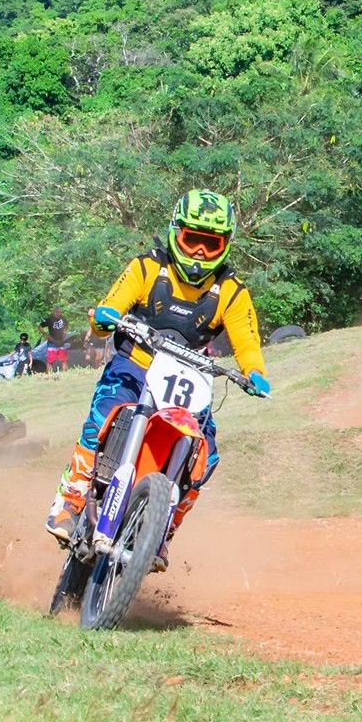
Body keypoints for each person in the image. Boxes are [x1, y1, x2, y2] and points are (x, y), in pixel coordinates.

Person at [45, 190, 271, 570]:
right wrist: (103, 318)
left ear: (225, 245)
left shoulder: (232, 291)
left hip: (188, 378)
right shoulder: (148, 267)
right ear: (175, 232)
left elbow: (247, 342)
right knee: (100, 420)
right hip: (135, 364)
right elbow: (112, 305)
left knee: (206, 455)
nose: (199, 252)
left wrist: (255, 373)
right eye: (192, 239)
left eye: (211, 243)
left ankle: (162, 531)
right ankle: (70, 500)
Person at [39, 306, 70, 373]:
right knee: (50, 360)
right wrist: (46, 334)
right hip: (52, 342)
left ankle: (65, 373)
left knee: (64, 359)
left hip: (61, 342)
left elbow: (67, 324)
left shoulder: (63, 318)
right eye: (58, 312)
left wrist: (65, 332)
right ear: (54, 312)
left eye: (61, 312)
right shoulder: (49, 319)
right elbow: (40, 327)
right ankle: (49, 374)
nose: (59, 314)